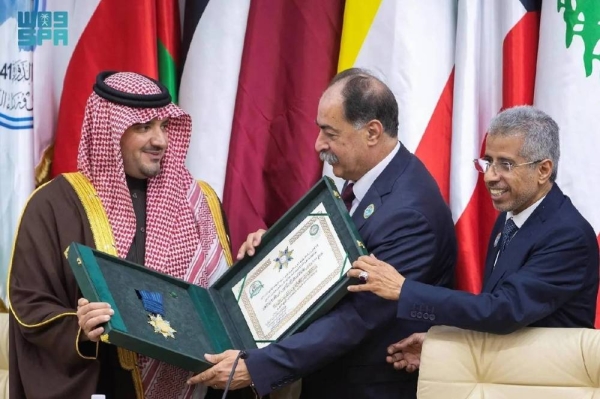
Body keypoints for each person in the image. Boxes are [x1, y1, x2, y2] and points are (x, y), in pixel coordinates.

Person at [187, 68, 457, 399]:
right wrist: (271, 253)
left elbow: (356, 318)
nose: (318, 145)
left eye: (330, 133)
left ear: (372, 132)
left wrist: (259, 367)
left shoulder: (410, 214)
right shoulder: (368, 180)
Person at [8, 71, 234, 399]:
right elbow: (29, 302)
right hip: (105, 384)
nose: (160, 140)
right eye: (143, 127)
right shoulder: (54, 204)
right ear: (108, 132)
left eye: (164, 126)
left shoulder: (199, 202)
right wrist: (80, 328)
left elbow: (221, 303)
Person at [348, 105, 599, 371]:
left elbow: (503, 311)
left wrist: (403, 289)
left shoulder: (568, 236)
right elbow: (497, 317)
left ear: (543, 170)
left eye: (506, 164)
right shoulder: (512, 214)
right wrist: (444, 346)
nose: (490, 176)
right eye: (488, 161)